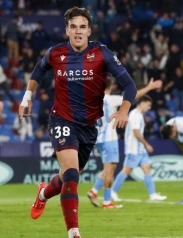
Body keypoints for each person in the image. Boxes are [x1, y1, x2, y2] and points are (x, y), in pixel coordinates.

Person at [19, 7, 137, 238]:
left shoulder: (102, 53)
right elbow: (39, 69)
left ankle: (43, 193)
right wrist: (27, 97)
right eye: (73, 27)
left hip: (90, 126)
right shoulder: (56, 53)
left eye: (82, 26)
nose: (78, 31)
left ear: (89, 30)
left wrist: (124, 110)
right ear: (67, 30)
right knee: (72, 174)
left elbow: (129, 85)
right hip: (62, 118)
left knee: (68, 176)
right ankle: (73, 232)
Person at [87, 78, 162, 208]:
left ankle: (94, 191)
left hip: (98, 139)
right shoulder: (109, 99)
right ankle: (107, 201)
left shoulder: (92, 100)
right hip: (109, 138)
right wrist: (149, 88)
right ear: (111, 86)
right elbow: (131, 97)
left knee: (107, 168)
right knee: (110, 170)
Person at [110, 95, 167, 201]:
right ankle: (112, 192)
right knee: (126, 171)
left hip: (140, 149)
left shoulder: (139, 115)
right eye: (148, 105)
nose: (149, 108)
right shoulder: (135, 115)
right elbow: (136, 132)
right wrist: (146, 144)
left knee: (147, 169)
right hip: (134, 149)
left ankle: (153, 194)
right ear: (142, 103)